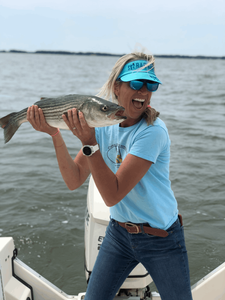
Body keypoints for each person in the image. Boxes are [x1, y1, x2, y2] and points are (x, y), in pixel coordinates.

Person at [27, 52, 193, 300]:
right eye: (136, 83)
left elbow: (112, 195)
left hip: (161, 239)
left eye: (151, 84)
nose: (144, 91)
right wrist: (55, 134)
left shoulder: (153, 132)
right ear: (117, 87)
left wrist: (89, 143)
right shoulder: (104, 126)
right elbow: (74, 180)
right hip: (119, 235)